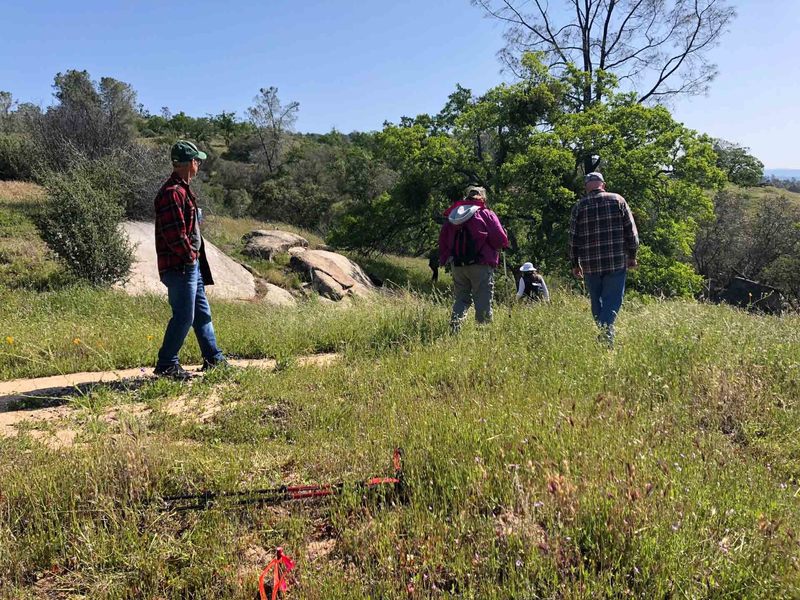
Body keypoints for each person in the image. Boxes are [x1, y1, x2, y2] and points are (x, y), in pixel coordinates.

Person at [153, 140, 227, 380]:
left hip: (189, 265)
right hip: (180, 266)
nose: (199, 164)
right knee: (185, 316)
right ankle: (167, 364)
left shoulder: (183, 190)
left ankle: (214, 359)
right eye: (197, 160)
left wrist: (193, 260)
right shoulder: (172, 193)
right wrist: (190, 257)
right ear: (188, 163)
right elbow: (175, 235)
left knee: (202, 314)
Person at [569, 172, 639, 347]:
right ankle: (605, 335)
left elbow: (573, 238)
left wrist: (574, 263)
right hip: (615, 260)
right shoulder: (618, 200)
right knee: (613, 300)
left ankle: (605, 337)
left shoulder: (579, 206)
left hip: (590, 264)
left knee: (596, 301)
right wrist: (632, 255)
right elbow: (632, 232)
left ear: (586, 187)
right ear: (603, 184)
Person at [438, 185, 509, 331]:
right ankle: (483, 335)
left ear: (467, 197)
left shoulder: (453, 215)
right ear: (483, 198)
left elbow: (443, 239)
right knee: (483, 300)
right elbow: (500, 240)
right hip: (481, 264)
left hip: (457, 265)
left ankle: (454, 330)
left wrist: (445, 258)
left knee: (461, 299)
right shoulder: (485, 213)